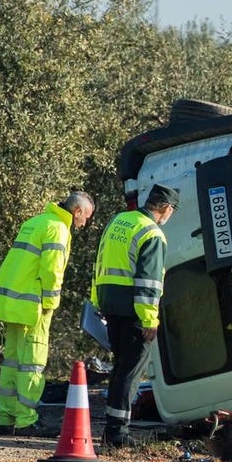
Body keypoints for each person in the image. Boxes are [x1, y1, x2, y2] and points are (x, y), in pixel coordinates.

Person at [0, 191, 96, 437]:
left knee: (11, 362)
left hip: (12, 304)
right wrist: (51, 303)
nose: (84, 223)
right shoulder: (58, 228)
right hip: (34, 306)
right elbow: (52, 271)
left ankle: (6, 418)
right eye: (86, 217)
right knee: (32, 364)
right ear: (77, 211)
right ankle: (26, 421)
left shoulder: (35, 222)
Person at [91, 184, 178, 448]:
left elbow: (100, 261)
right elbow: (149, 283)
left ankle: (112, 429)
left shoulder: (120, 219)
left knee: (120, 368)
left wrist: (97, 301)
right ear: (165, 208)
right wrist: (150, 321)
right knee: (131, 371)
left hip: (110, 304)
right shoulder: (153, 233)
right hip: (134, 311)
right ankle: (118, 433)